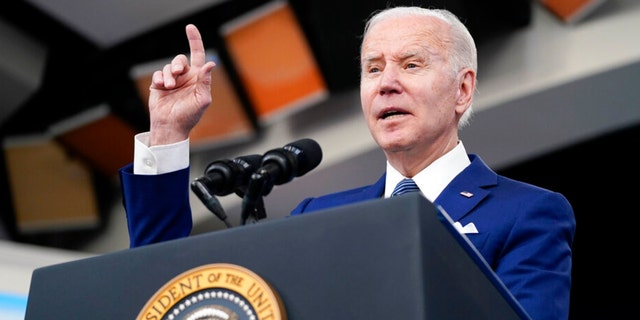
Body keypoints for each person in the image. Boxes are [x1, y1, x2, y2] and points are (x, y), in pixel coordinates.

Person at [119, 6, 576, 320]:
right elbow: (173, 287)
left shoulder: (527, 214)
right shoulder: (316, 216)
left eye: (411, 64)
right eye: (373, 69)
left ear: (462, 89)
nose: (386, 83)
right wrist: (167, 134)